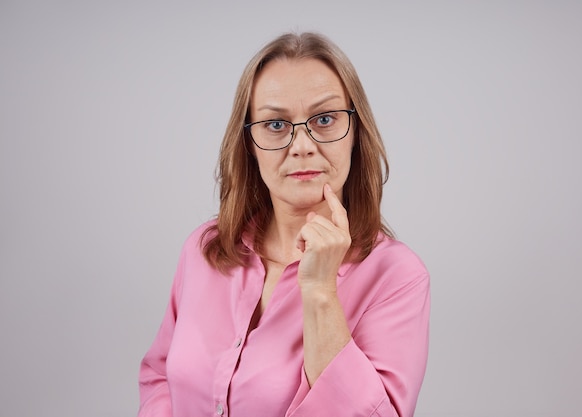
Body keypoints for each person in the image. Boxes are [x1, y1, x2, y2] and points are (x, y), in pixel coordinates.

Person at [138, 32, 430, 417]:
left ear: (355, 134)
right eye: (276, 125)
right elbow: (160, 378)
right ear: (249, 143)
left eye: (324, 119)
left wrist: (321, 292)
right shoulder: (203, 250)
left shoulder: (397, 277)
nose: (302, 145)